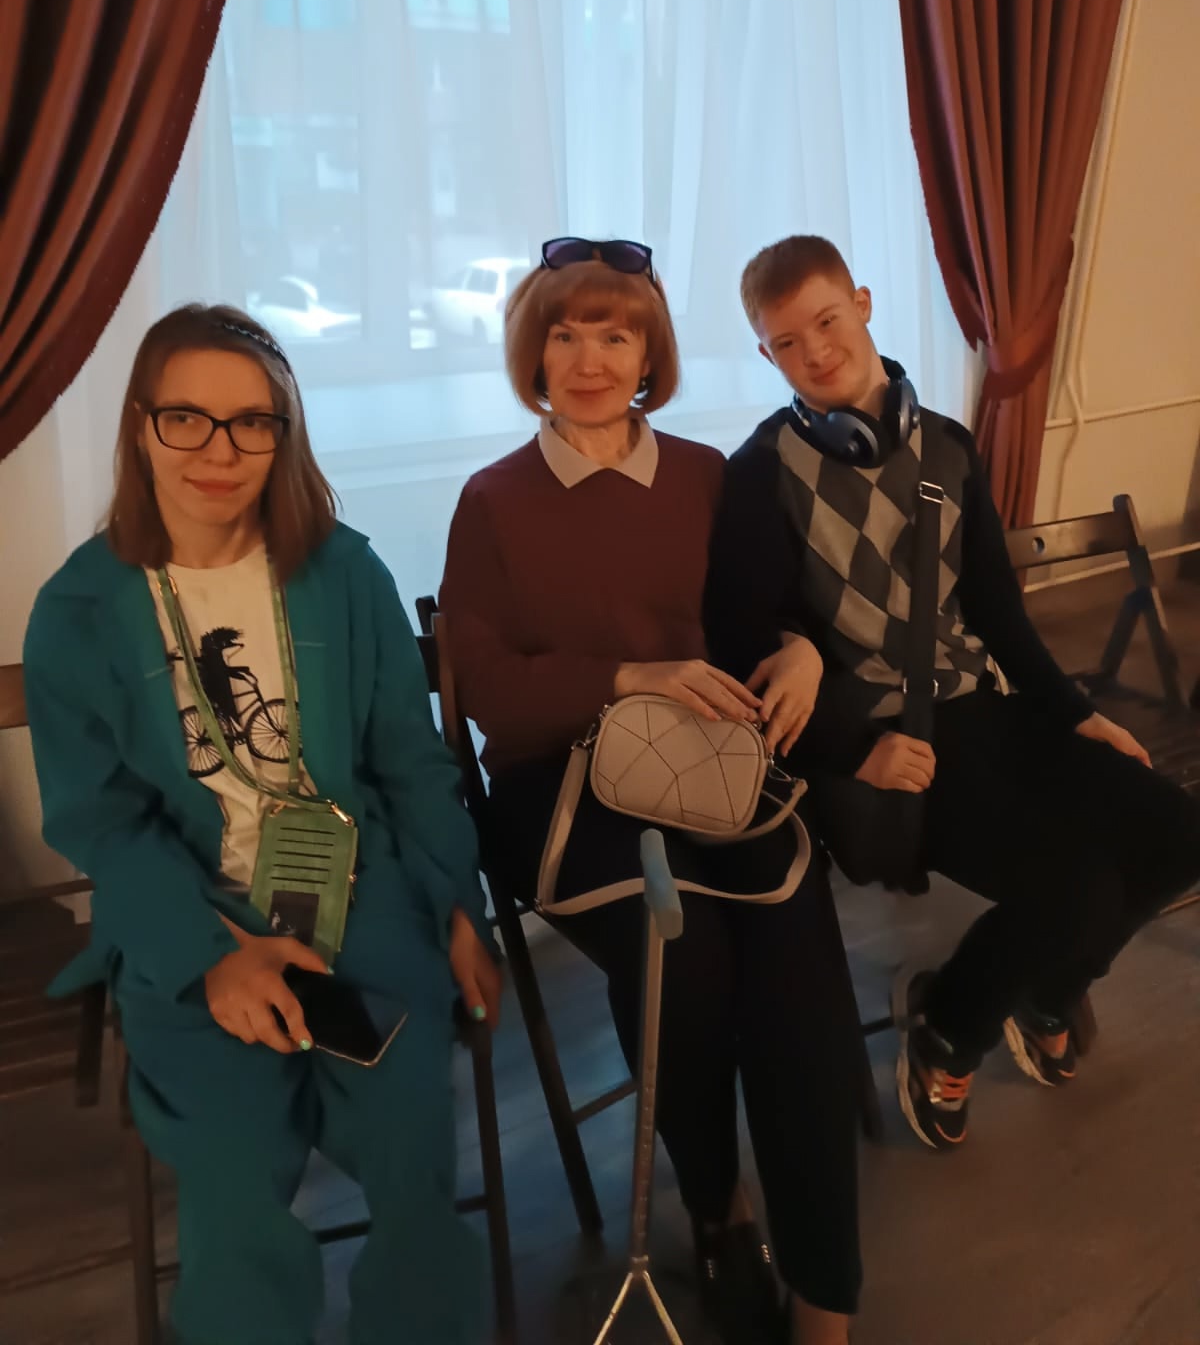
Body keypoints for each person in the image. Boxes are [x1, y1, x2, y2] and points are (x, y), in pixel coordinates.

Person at [23, 304, 501, 1345]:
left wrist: (459, 907)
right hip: (192, 917)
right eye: (186, 419)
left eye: (251, 422)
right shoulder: (79, 611)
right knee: (235, 1185)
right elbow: (104, 825)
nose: (220, 451)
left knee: (413, 1149)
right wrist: (211, 961)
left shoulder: (345, 573)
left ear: (284, 435)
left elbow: (411, 764)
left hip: (362, 896)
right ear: (141, 424)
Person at [440, 238, 862, 1345]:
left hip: (707, 767)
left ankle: (826, 1298)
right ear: (535, 353)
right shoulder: (494, 499)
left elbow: (763, 616)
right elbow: (487, 692)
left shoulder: (706, 475)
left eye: (615, 334)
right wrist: (630, 675)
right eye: (565, 334)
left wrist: (799, 649)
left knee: (799, 956)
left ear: (648, 353)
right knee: (686, 952)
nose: (590, 360)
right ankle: (720, 1209)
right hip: (559, 784)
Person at [705, 233, 1200, 1153]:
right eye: (786, 342)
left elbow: (1001, 617)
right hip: (886, 742)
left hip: (985, 712)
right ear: (766, 357)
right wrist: (856, 752)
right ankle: (949, 1024)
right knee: (1077, 887)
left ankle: (1047, 992)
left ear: (862, 303)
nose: (815, 350)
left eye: (827, 320)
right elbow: (747, 651)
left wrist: (1079, 715)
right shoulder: (757, 476)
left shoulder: (948, 447)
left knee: (1176, 832)